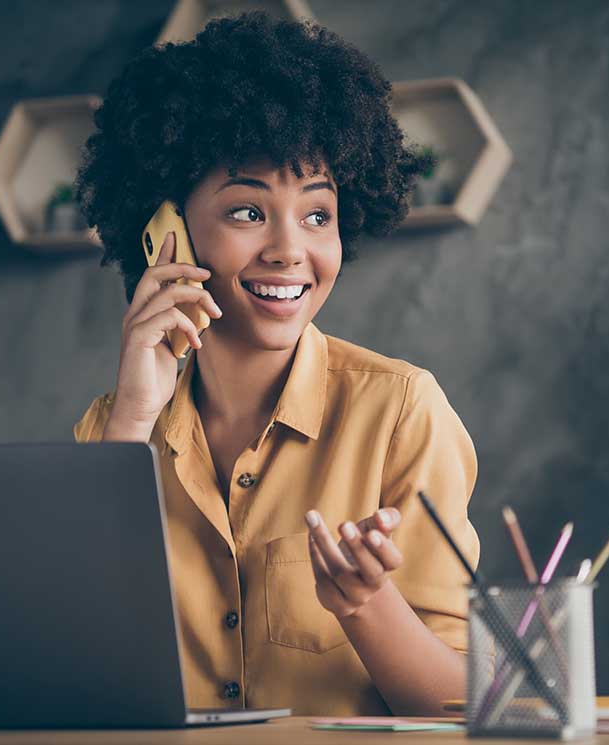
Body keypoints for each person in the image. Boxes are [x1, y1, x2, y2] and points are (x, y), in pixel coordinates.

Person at [73, 10, 479, 717]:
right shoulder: (111, 428)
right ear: (164, 231)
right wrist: (135, 416)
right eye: (246, 212)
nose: (290, 250)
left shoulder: (402, 410)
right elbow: (62, 657)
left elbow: (460, 702)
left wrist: (364, 602)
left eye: (316, 214)